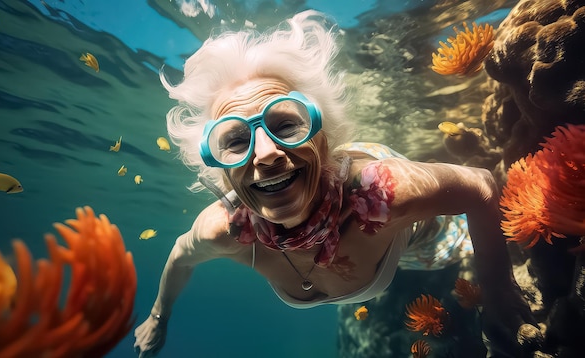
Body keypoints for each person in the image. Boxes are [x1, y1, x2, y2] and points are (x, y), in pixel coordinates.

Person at [134, 10, 538, 357]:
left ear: (322, 137)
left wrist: (498, 288)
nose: (265, 153)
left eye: (286, 125)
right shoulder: (222, 228)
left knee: (463, 242)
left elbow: (482, 185)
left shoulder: (386, 194)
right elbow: (179, 256)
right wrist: (157, 316)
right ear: (220, 169)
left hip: (412, 232)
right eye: (236, 139)